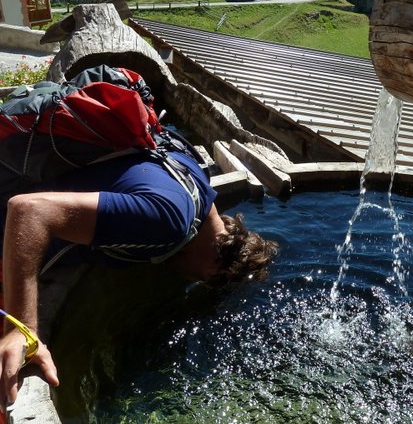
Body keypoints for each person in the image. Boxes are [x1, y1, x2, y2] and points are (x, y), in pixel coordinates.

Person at [0, 146, 278, 410]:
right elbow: (28, 210)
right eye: (213, 282)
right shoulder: (168, 223)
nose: (195, 280)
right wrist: (21, 329)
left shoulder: (196, 180)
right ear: (219, 267)